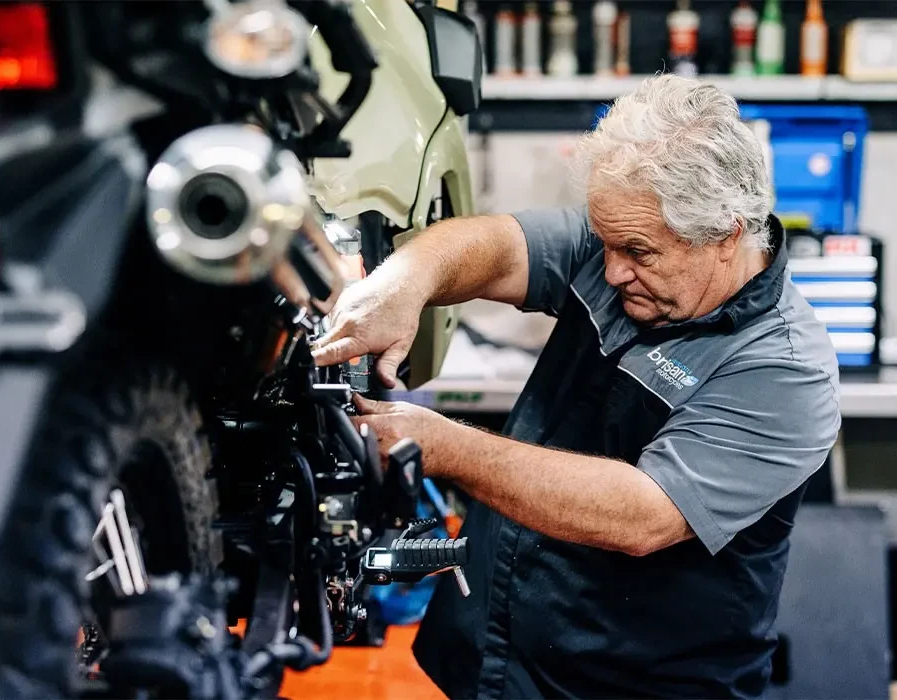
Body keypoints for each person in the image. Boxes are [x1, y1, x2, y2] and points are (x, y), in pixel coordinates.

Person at [313, 74, 841, 699]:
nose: (612, 268)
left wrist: (443, 445)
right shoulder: (628, 241)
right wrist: (405, 280)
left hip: (632, 686)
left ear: (726, 236)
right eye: (607, 240)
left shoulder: (783, 367)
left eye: (638, 252)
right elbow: (499, 246)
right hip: (498, 660)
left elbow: (642, 514)